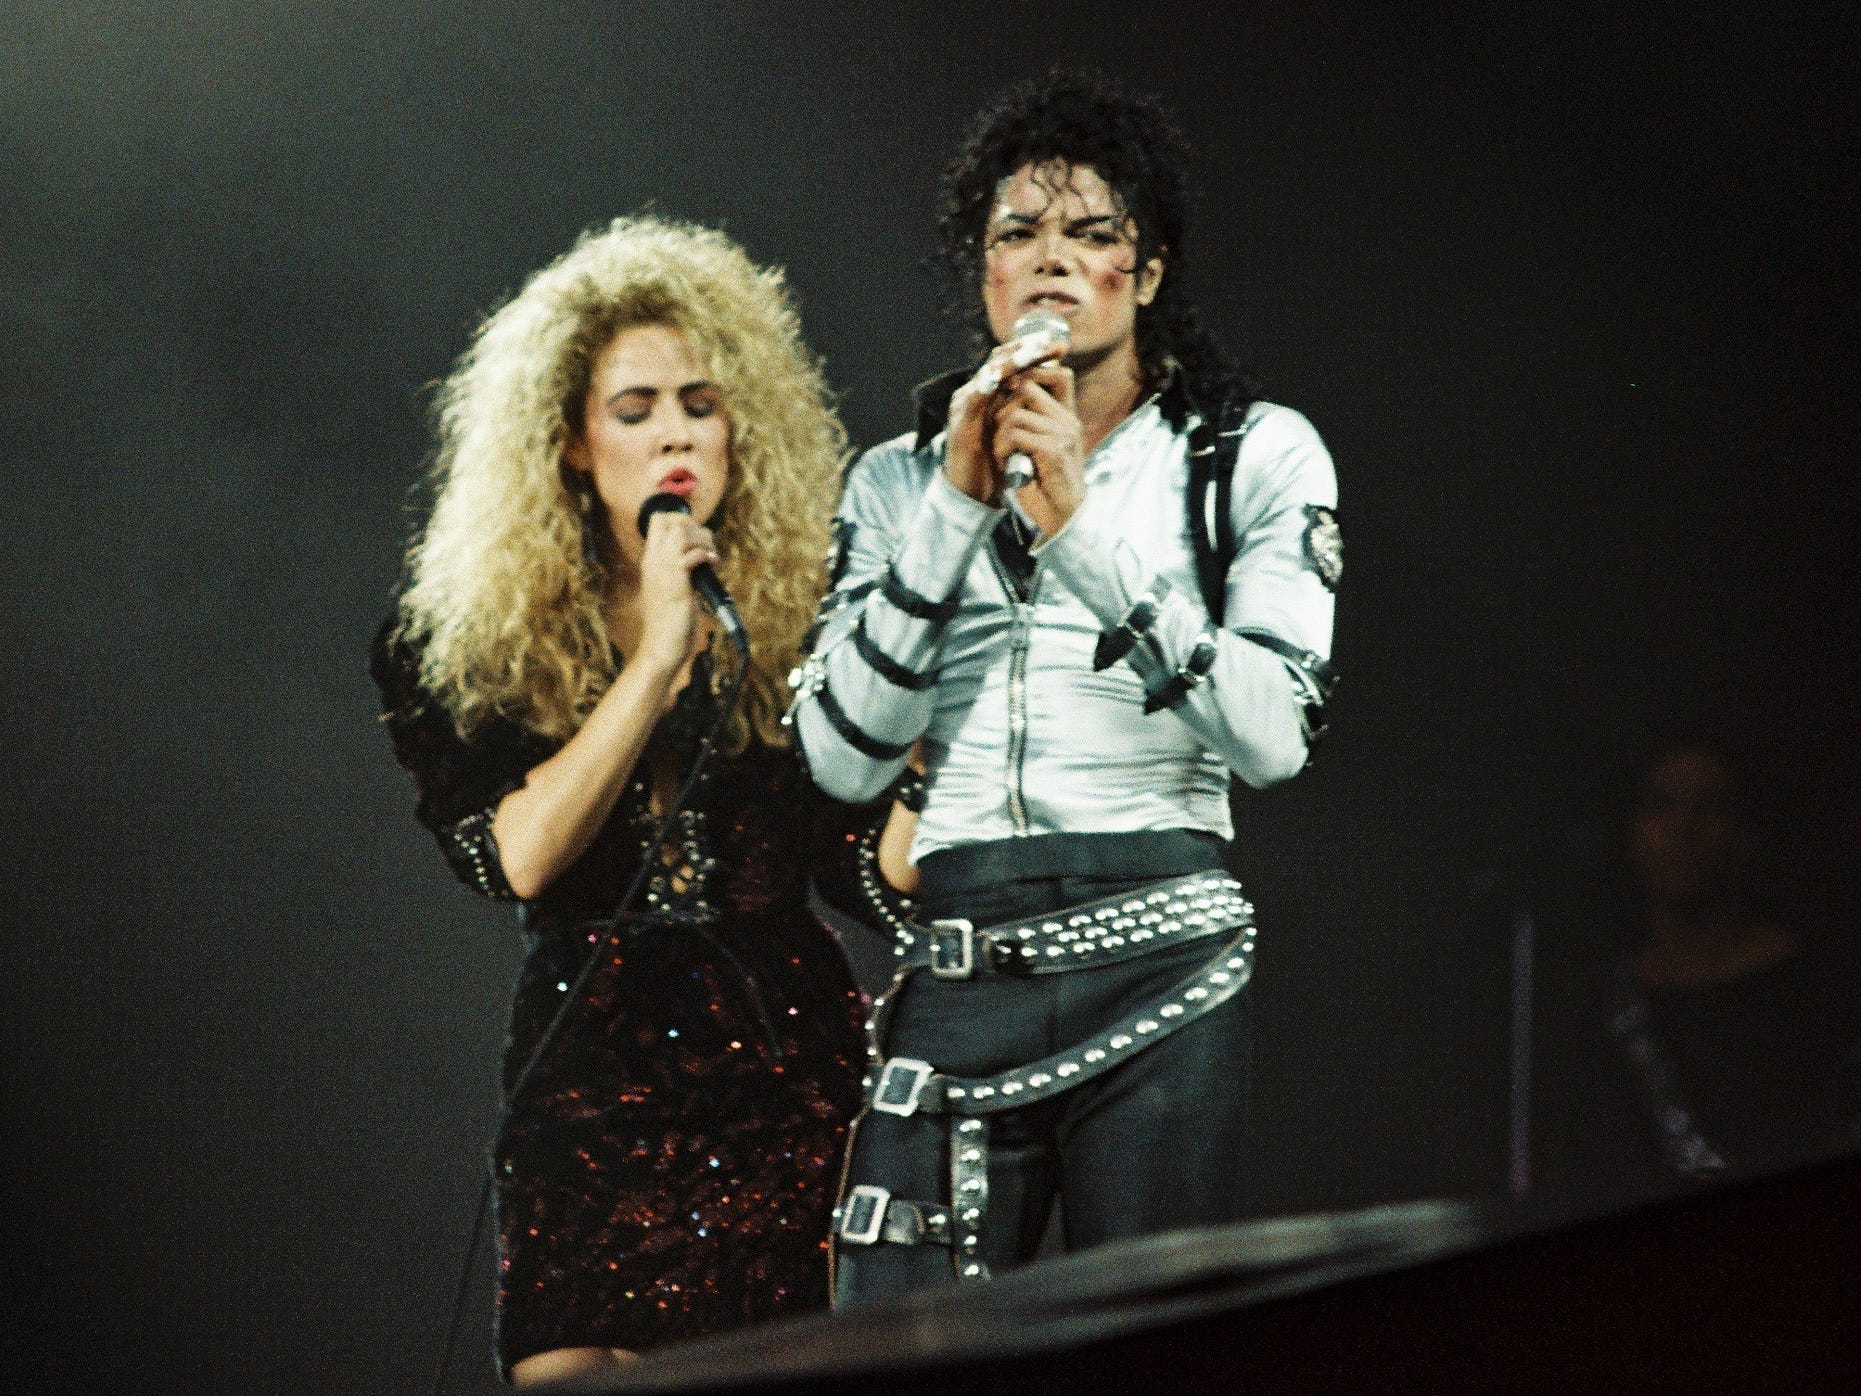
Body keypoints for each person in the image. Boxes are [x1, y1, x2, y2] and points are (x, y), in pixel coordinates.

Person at [789, 69, 1340, 1302]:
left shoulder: (1250, 451)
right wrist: (955, 506)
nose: (1049, 263)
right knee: (891, 1348)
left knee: (1139, 1337)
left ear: (1146, 274)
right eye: (1015, 235)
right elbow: (838, 762)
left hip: (1159, 957)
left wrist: (1081, 526)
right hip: (958, 959)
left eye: (1092, 235)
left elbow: (1272, 738)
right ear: (979, 272)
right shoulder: (894, 480)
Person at [370, 215, 869, 1385]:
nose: (675, 436)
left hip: (780, 1079)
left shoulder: (811, 615)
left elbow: (861, 854)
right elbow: (521, 860)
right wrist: (654, 665)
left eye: (700, 402)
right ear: (571, 446)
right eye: (634, 410)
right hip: (586, 1079)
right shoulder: (459, 648)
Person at [1533, 740, 1861, 1212]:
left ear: (1747, 833)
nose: (1681, 830)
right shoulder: (1593, 1007)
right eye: (1661, 806)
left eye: (1707, 808)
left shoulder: (1818, 987)